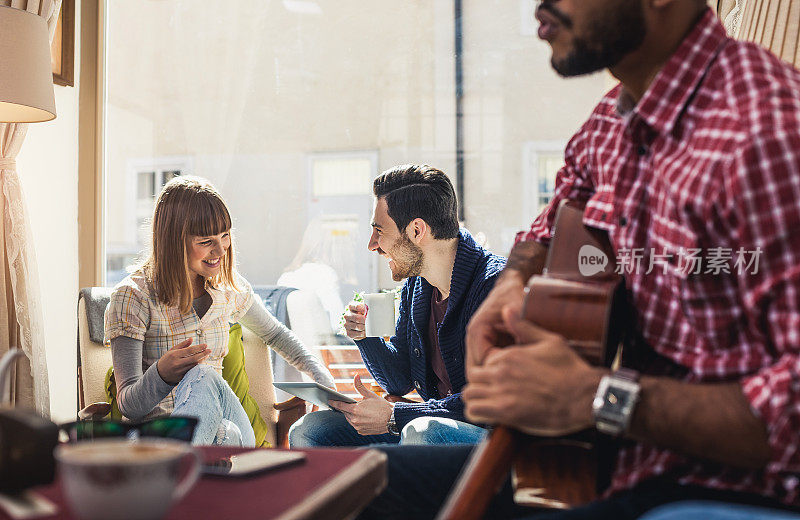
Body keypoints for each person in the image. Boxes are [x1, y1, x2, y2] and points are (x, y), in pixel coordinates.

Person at [359, 1, 800, 519]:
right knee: (356, 489)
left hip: (715, 488)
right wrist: (511, 285)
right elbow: (564, 203)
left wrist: (598, 396)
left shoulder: (767, 129)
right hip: (612, 459)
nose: (539, 5)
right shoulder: (613, 118)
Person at [105, 177, 335, 446]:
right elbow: (128, 406)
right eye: (205, 241)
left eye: (225, 236)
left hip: (215, 434)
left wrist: (321, 377)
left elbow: (276, 335)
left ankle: (184, 472)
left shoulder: (229, 289)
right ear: (173, 241)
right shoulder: (133, 296)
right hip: (158, 439)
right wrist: (162, 373)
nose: (220, 250)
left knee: (203, 378)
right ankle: (198, 471)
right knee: (222, 429)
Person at [289, 164, 506, 447]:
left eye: (379, 230)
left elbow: (491, 398)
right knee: (310, 430)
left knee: (422, 433)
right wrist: (366, 338)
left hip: (494, 441)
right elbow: (399, 382)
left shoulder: (497, 286)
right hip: (426, 427)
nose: (372, 244)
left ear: (417, 230)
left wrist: (396, 416)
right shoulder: (416, 287)